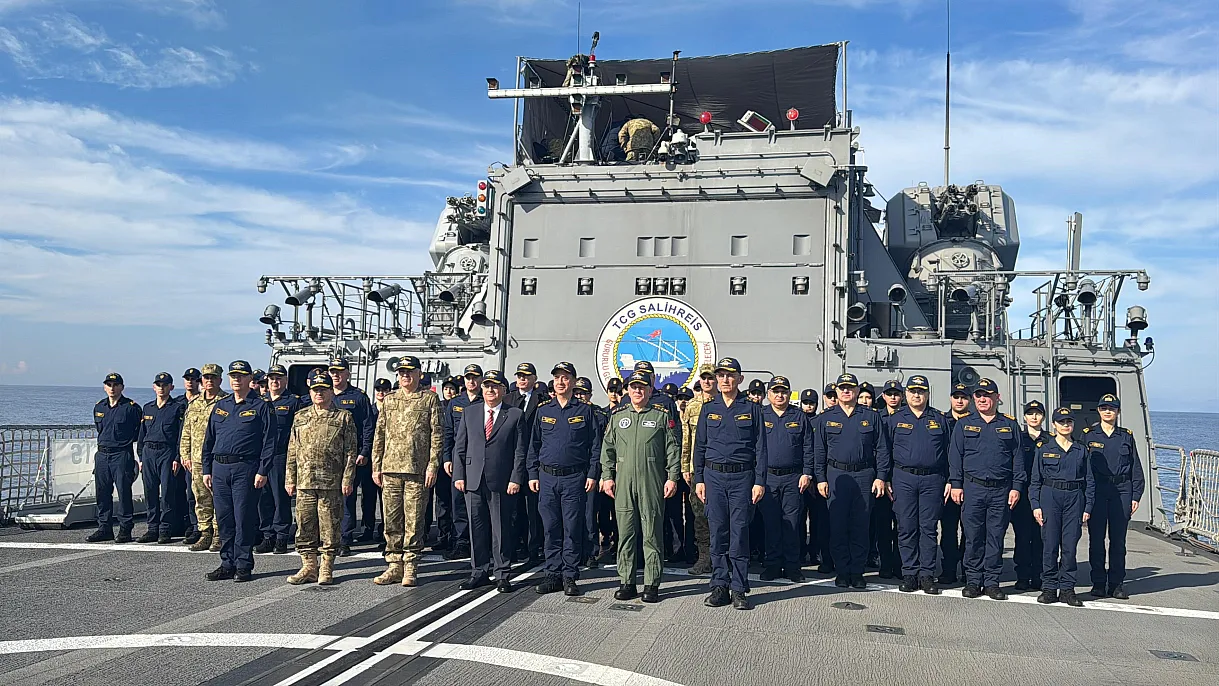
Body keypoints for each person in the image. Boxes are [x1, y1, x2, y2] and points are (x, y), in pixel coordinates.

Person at [693, 357, 767, 610]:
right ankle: (719, 586)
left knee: (739, 534)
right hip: (713, 478)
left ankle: (739, 588)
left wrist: (759, 481)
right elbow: (700, 446)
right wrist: (699, 479)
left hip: (742, 479)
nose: (725, 379)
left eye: (730, 375)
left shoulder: (752, 409)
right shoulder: (708, 408)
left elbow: (761, 448)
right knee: (717, 533)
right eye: (721, 375)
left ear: (740, 379)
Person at [602, 370, 680, 603]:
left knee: (652, 533)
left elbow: (672, 449)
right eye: (633, 387)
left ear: (649, 390)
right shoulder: (618, 416)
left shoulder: (661, 416)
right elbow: (607, 449)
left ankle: (651, 583)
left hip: (651, 482)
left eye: (642, 387)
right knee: (625, 533)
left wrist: (672, 477)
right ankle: (626, 582)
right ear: (627, 390)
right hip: (624, 483)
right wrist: (607, 476)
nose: (637, 390)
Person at [528, 362, 601, 596]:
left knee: (572, 528)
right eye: (557, 377)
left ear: (573, 381)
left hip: (574, 478)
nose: (561, 382)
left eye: (566, 377)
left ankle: (570, 575)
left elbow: (595, 446)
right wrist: (532, 474)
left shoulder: (585, 411)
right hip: (547, 478)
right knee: (551, 528)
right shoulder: (543, 410)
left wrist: (592, 474)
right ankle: (552, 574)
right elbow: (534, 445)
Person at [949, 377, 1025, 600]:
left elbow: (1018, 458)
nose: (983, 399)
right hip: (973, 488)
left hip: (1001, 490)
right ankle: (973, 581)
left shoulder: (1010, 425)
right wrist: (956, 484)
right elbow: (955, 457)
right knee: (973, 536)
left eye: (987, 395)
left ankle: (992, 582)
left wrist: (1017, 487)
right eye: (979, 395)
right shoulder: (964, 424)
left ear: (997, 398)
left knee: (996, 536)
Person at [453, 370, 528, 593]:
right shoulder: (470, 412)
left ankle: (502, 573)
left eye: (495, 386)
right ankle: (479, 572)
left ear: (503, 390)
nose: (490, 390)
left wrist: (516, 478)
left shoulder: (514, 414)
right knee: (476, 528)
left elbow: (520, 451)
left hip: (501, 481)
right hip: (473, 479)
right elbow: (460, 446)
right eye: (487, 386)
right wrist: (459, 475)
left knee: (501, 529)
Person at [371, 356, 443, 587]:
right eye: (402, 372)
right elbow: (379, 434)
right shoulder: (390, 400)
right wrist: (376, 466)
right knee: (391, 519)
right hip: (390, 469)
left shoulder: (429, 399)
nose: (405, 375)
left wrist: (433, 465)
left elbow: (437, 435)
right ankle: (394, 565)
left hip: (416, 470)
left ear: (419, 374)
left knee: (414, 520)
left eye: (409, 372)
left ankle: (410, 565)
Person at [814, 373, 890, 590]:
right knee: (837, 526)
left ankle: (857, 572)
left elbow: (882, 449)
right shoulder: (826, 417)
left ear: (857, 391)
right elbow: (819, 450)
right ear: (837, 391)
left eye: (850, 388)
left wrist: (881, 477)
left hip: (864, 475)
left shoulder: (871, 416)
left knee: (860, 526)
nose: (846, 391)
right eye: (842, 388)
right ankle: (842, 571)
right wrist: (820, 478)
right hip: (836, 475)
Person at [201, 361, 275, 583]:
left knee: (243, 518)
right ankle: (227, 563)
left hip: (246, 468)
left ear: (250, 379)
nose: (237, 379)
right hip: (220, 468)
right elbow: (209, 440)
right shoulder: (221, 405)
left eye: (241, 376)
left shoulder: (261, 406)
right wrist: (206, 469)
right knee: (224, 519)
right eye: (233, 375)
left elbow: (269, 442)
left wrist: (263, 470)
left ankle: (243, 564)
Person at [285, 370, 357, 586]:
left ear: (331, 392)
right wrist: (290, 478)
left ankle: (326, 567)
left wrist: (348, 479)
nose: (319, 393)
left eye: (323, 390)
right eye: (315, 390)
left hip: (330, 482)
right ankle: (309, 566)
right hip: (305, 481)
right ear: (310, 392)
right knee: (305, 525)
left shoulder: (343, 417)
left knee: (330, 527)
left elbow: (350, 452)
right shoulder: (300, 417)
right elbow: (292, 449)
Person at [886, 375, 948, 595]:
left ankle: (927, 575)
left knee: (929, 529)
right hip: (904, 478)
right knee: (906, 527)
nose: (917, 395)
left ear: (928, 394)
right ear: (906, 394)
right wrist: (885, 478)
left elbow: (949, 452)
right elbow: (885, 451)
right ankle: (909, 574)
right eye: (912, 391)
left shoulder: (939, 419)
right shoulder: (895, 419)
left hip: (933, 479)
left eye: (921, 391)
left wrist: (951, 480)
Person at [1031, 407, 1094, 607]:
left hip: (1074, 499)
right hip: (1050, 497)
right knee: (1049, 546)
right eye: (1061, 422)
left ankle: (1067, 589)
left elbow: (1089, 481)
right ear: (1054, 425)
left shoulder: (1081, 450)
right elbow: (1035, 481)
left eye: (1069, 422)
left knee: (1069, 547)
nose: (1066, 425)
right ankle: (1049, 588)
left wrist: (1088, 507)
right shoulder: (1044, 449)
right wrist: (1035, 505)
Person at [1085, 393, 1144, 600]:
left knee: (1118, 541)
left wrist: (1136, 495)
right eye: (1104, 408)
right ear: (1099, 411)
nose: (1108, 411)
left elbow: (1136, 468)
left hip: (1122, 490)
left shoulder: (1126, 436)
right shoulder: (1089, 435)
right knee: (1096, 540)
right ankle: (1098, 583)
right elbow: (1082, 468)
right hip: (1098, 490)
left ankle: (1117, 584)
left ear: (1118, 411)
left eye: (1112, 408)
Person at [758, 376, 815, 582]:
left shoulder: (799, 416)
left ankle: (793, 567)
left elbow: (808, 447)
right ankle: (772, 565)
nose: (780, 395)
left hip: (793, 478)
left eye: (784, 391)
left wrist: (807, 473)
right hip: (768, 478)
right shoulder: (760, 415)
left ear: (789, 394)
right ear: (769, 394)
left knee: (792, 524)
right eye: (776, 391)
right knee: (771, 524)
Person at [87, 373, 143, 543]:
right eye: (109, 384)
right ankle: (104, 528)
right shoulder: (99, 407)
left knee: (124, 492)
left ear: (122, 387)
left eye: (116, 385)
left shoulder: (131, 408)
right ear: (105, 387)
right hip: (102, 454)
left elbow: (138, 432)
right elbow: (100, 429)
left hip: (121, 454)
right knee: (102, 493)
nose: (112, 388)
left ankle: (125, 529)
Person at [330, 357, 378, 556]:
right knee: (329, 498)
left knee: (347, 496)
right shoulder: (323, 394)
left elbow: (368, 426)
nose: (335, 375)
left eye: (339, 371)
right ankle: (329, 536)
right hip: (330, 457)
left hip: (352, 455)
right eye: (333, 371)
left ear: (347, 373)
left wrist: (365, 451)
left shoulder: (358, 397)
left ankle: (345, 539)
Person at [181, 363, 228, 552]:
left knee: (219, 498)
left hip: (218, 459)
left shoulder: (226, 402)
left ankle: (218, 534)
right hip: (197, 460)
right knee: (201, 498)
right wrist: (185, 455)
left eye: (213, 378)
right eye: (206, 377)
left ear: (220, 380)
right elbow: (186, 432)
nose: (209, 381)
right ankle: (205, 532)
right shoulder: (194, 404)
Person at [255, 365, 300, 555]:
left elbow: (298, 432)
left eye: (279, 378)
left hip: (281, 456)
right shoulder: (260, 401)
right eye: (272, 378)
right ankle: (268, 535)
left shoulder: (293, 402)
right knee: (263, 498)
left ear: (285, 380)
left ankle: (281, 536)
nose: (275, 381)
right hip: (260, 457)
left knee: (280, 498)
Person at [136, 372, 186, 544]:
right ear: (153, 387)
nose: (161, 388)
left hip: (167, 453)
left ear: (171, 387)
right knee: (150, 493)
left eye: (165, 385)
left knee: (167, 494)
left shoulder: (177, 408)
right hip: (149, 453)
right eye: (158, 385)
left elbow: (180, 435)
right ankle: (152, 528)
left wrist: (177, 457)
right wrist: (141, 457)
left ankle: (165, 529)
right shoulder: (148, 408)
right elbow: (142, 434)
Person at [441, 364, 483, 560]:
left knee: (478, 502)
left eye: (475, 377)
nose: (471, 381)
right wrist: (447, 458)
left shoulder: (486, 401)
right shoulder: (456, 403)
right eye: (468, 378)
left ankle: (479, 543)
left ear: (480, 380)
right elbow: (448, 432)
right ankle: (461, 542)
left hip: (479, 458)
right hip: (458, 457)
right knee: (458, 502)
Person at [508, 362, 547, 564]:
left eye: (526, 376)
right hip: (512, 460)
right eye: (519, 376)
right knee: (513, 509)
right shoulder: (508, 399)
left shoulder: (543, 400)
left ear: (534, 379)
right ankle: (515, 546)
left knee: (533, 510)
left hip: (533, 459)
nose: (522, 379)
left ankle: (534, 549)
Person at [682, 364, 716, 575]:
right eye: (704, 378)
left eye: (710, 378)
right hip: (698, 469)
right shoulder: (692, 406)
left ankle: (722, 557)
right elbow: (686, 438)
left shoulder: (724, 403)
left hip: (719, 469)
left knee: (722, 517)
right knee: (700, 516)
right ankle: (704, 557)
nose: (707, 382)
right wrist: (685, 466)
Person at [938, 382, 973, 585]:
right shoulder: (942, 421)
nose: (959, 401)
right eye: (956, 397)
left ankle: (968, 570)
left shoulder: (975, 422)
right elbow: (940, 454)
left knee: (970, 531)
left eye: (964, 397)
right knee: (949, 530)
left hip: (971, 483)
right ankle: (949, 569)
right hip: (948, 485)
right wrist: (949, 480)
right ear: (951, 398)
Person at [1012, 400, 1047, 591]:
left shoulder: (1050, 439)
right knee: (1023, 537)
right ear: (1024, 417)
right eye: (1030, 413)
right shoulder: (1018, 438)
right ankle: (1023, 576)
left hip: (1043, 495)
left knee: (1041, 537)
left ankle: (1038, 575)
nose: (1034, 417)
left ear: (1043, 417)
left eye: (1038, 413)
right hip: (1023, 495)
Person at [870, 379, 904, 578]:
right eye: (889, 394)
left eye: (896, 394)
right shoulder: (877, 417)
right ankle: (885, 563)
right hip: (882, 478)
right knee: (882, 524)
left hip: (901, 479)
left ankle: (899, 564)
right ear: (883, 396)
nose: (893, 397)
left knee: (902, 525)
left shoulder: (907, 416)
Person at [573, 376, 608, 568]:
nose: (579, 396)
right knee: (571, 513)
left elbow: (603, 446)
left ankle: (591, 552)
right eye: (577, 392)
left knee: (589, 513)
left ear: (590, 395)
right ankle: (574, 551)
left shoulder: (599, 414)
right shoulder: (569, 411)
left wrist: (601, 474)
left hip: (591, 469)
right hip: (572, 469)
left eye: (583, 393)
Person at [179, 368, 203, 543]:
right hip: (189, 457)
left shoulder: (211, 402)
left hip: (205, 459)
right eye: (187, 379)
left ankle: (205, 529)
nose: (190, 382)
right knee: (189, 495)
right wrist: (183, 455)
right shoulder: (178, 403)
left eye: (193, 379)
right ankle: (193, 525)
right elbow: (183, 433)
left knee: (205, 496)